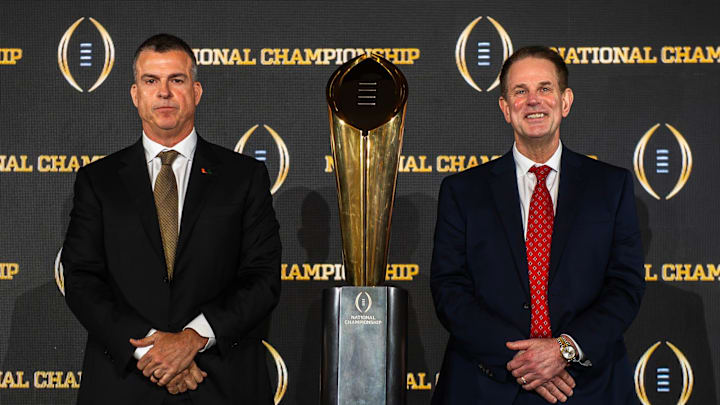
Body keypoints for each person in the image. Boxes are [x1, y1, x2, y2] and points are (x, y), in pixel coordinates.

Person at [62, 33, 281, 405]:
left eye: (176, 80)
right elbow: (82, 279)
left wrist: (193, 338)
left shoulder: (243, 177)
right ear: (135, 94)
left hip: (220, 383)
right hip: (125, 385)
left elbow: (262, 277)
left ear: (196, 91)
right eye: (151, 81)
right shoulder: (97, 181)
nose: (164, 92)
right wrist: (152, 352)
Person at [430, 46, 645, 404]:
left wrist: (563, 350)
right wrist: (525, 361)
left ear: (565, 101)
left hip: (586, 386)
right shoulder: (462, 191)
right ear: (504, 107)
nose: (533, 101)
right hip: (486, 385)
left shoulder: (611, 186)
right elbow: (449, 290)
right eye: (520, 91)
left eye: (545, 89)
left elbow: (625, 286)